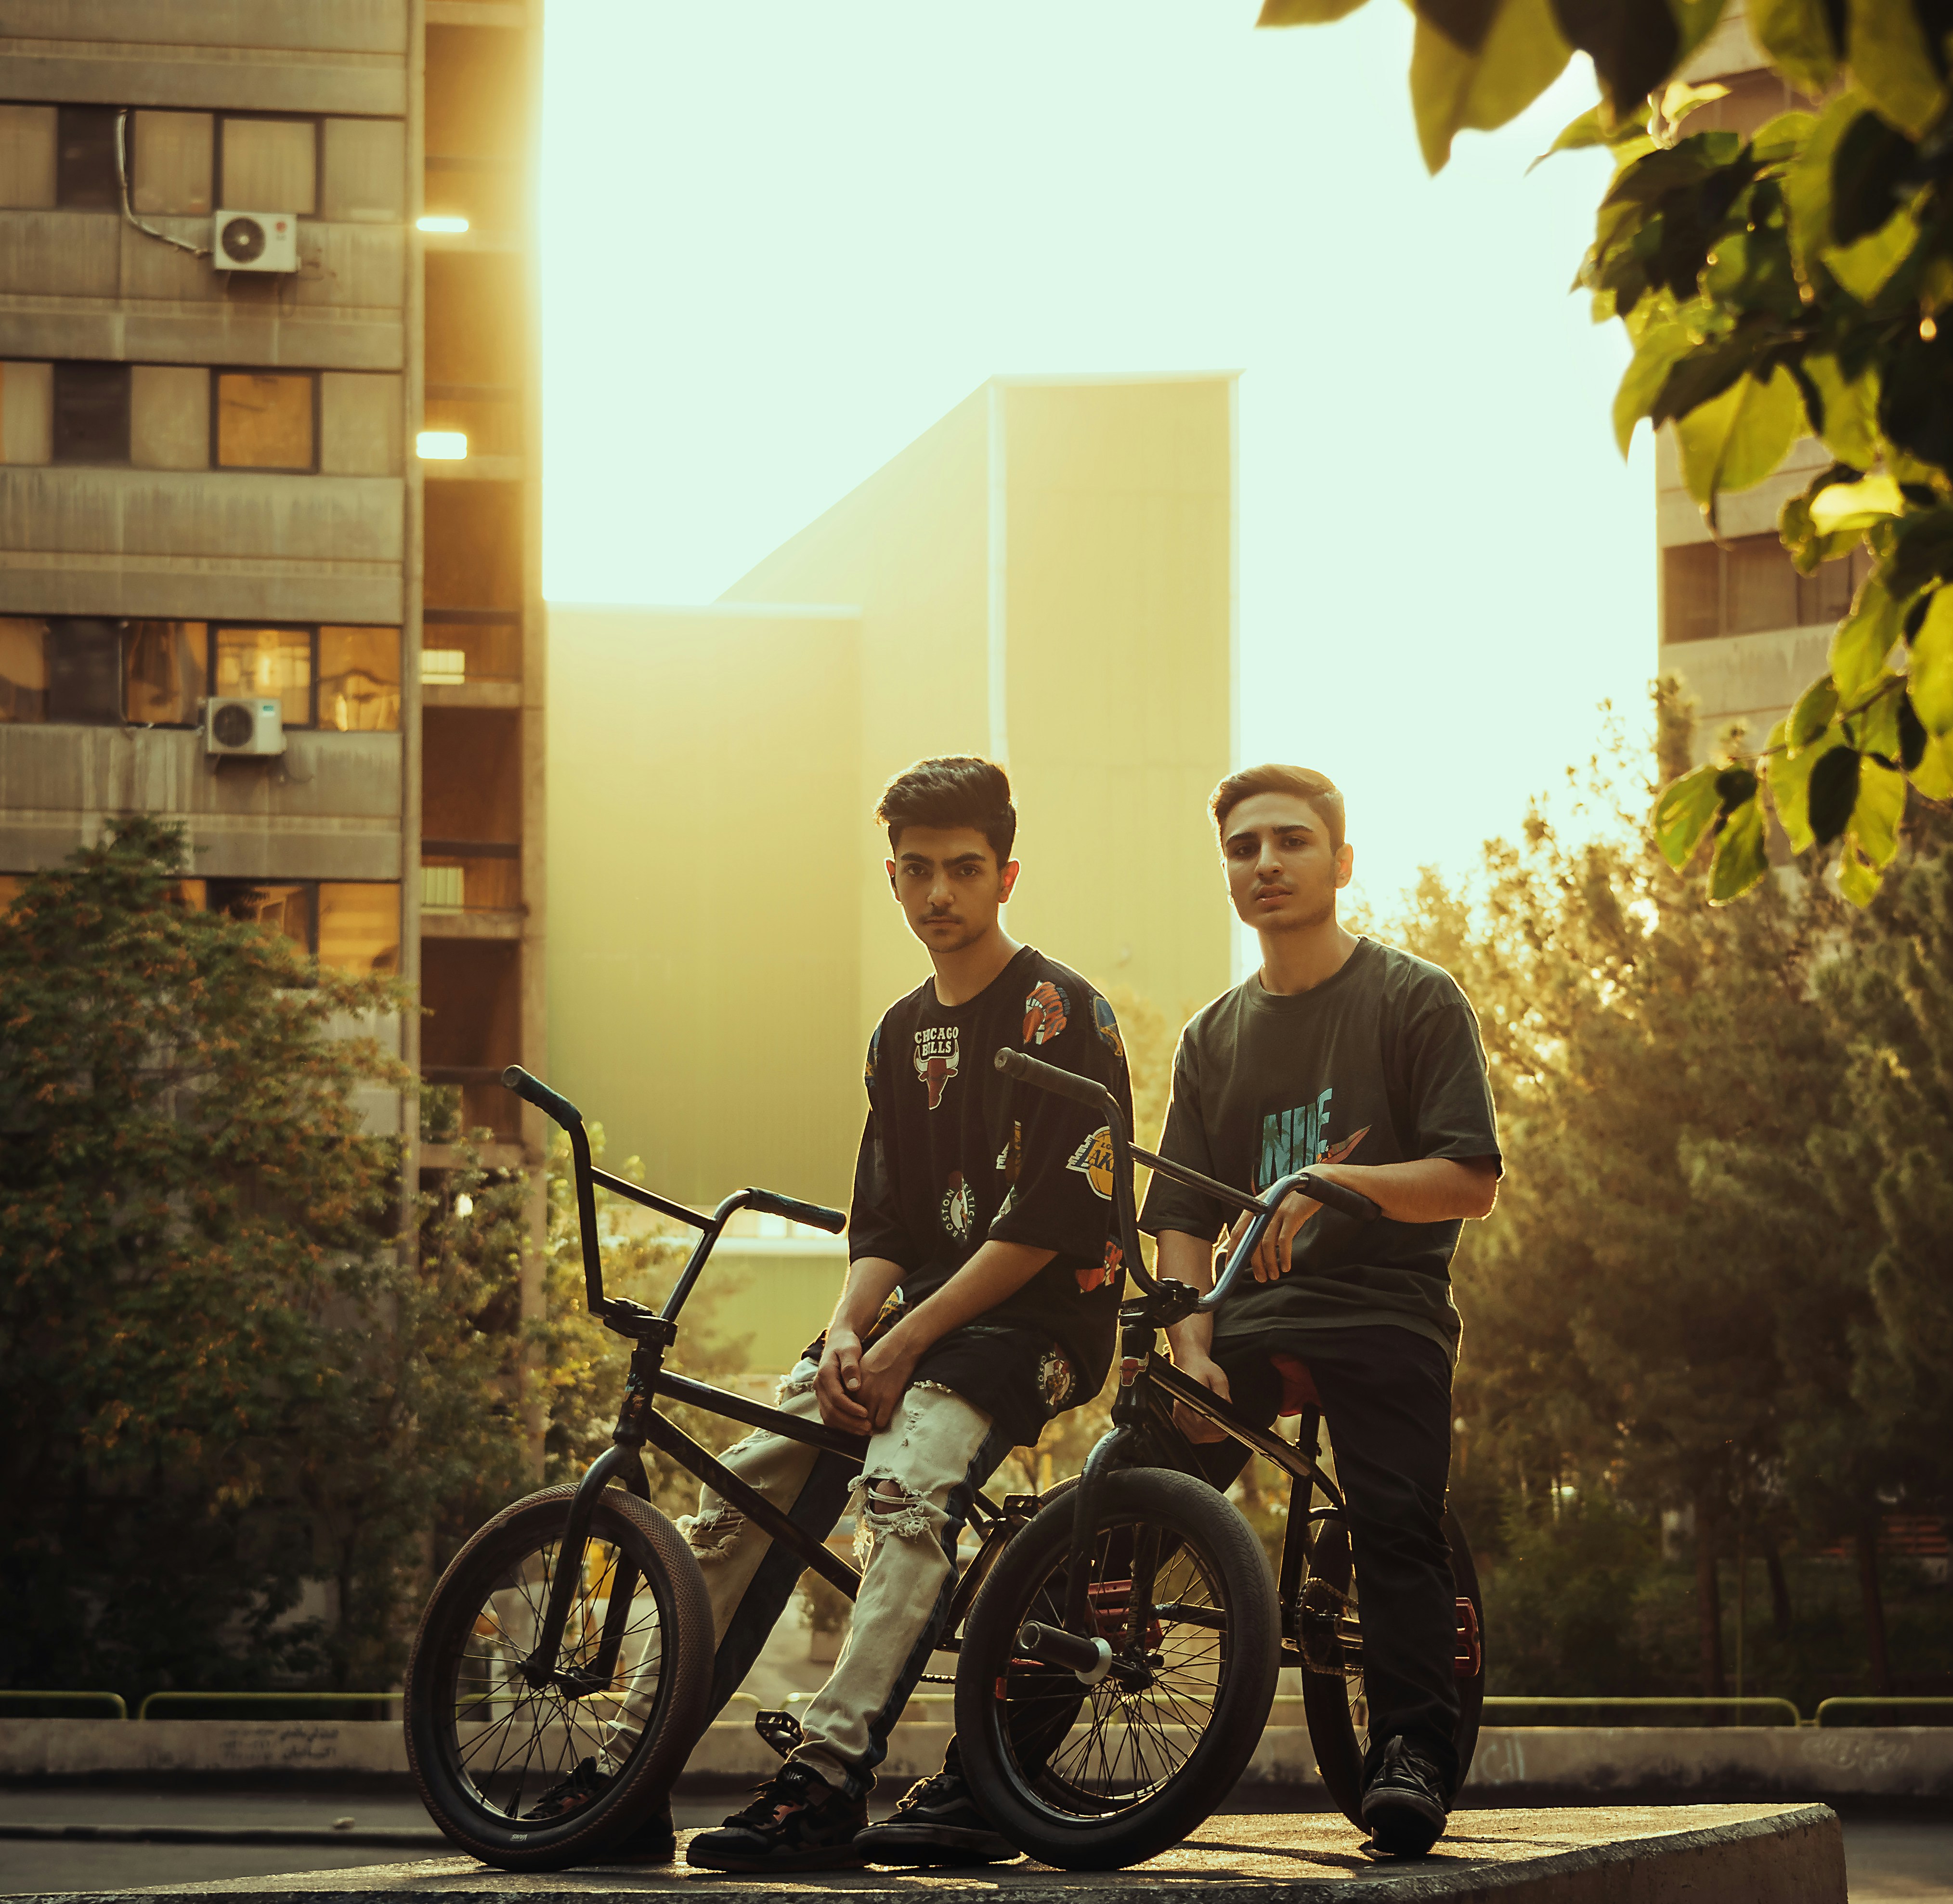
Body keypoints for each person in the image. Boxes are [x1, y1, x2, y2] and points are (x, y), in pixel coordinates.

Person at [542, 755, 1132, 1873]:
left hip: (1034, 1332)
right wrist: (852, 1333)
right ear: (893, 879)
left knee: (904, 1493)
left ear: (1007, 875)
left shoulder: (1066, 1015)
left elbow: (1049, 1226)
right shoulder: (898, 1037)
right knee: (732, 1501)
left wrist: (904, 1343)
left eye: (963, 870)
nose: (938, 895)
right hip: (908, 1325)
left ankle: (822, 1782)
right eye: (915, 872)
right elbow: (885, 1225)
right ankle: (626, 1773)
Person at [1139, 763, 1501, 1859]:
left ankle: (1410, 1754)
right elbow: (1185, 1226)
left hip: (1385, 1308)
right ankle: (1015, 1743)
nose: (1265, 864)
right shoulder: (1211, 1037)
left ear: (1340, 863)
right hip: (1244, 1323)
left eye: (1290, 842)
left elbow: (1468, 1181)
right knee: (1131, 1480)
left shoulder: (1415, 998)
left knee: (1394, 1518)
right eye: (1244, 848)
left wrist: (1333, 1184)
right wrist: (1191, 1347)